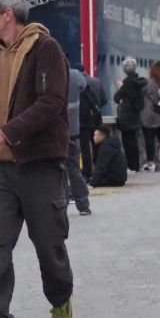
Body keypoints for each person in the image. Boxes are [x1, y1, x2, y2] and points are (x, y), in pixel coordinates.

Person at [0, 0, 73, 318]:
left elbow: (51, 104)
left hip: (40, 165)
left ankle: (60, 296)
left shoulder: (46, 49)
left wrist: (7, 134)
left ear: (6, 15)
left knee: (49, 245)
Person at [64, 67, 91, 215]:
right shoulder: (75, 75)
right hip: (73, 131)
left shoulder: (50, 74)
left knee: (56, 171)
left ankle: (61, 204)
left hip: (56, 133)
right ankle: (83, 204)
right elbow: (84, 85)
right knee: (74, 169)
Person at [112, 59, 146, 172]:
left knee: (127, 143)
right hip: (136, 116)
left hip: (126, 117)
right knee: (134, 143)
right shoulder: (140, 82)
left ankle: (131, 166)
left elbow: (116, 98)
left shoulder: (127, 84)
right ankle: (136, 165)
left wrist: (120, 87)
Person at [77, 70, 107, 181]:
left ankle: (87, 172)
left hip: (83, 121)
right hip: (96, 119)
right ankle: (99, 170)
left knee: (85, 149)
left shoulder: (77, 83)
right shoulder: (97, 82)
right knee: (97, 146)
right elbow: (104, 100)